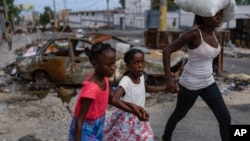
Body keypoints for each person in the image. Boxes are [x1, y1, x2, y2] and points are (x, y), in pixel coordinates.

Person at [162, 11, 231, 141]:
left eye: (221, 14)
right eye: (215, 14)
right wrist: (169, 79)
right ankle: (166, 137)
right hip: (190, 84)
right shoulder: (193, 34)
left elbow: (210, 57)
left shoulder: (216, 34)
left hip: (208, 82)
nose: (219, 17)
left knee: (225, 118)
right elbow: (167, 50)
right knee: (179, 114)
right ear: (204, 16)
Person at [103, 48, 167, 141]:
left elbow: (147, 88)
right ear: (128, 66)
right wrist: (133, 110)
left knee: (147, 138)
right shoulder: (126, 81)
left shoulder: (140, 76)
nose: (140, 66)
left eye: (142, 62)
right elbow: (114, 100)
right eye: (136, 63)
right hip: (127, 119)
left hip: (139, 116)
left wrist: (166, 88)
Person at [68, 43, 116, 141]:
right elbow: (79, 121)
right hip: (85, 129)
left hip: (98, 123)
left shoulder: (104, 78)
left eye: (113, 63)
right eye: (109, 64)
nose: (113, 67)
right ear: (95, 64)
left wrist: (133, 108)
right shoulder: (91, 89)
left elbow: (110, 99)